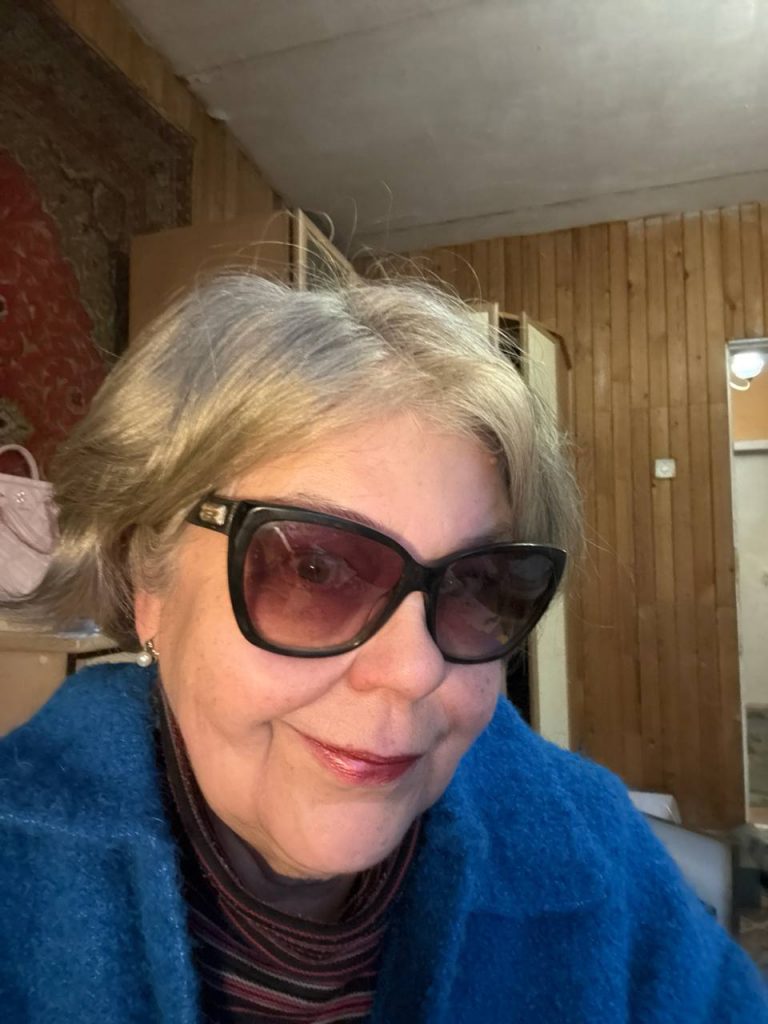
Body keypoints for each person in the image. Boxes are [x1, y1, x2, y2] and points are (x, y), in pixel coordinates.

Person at [0, 274, 765, 1024]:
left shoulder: (597, 854)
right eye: (312, 569)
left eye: (476, 583)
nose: (415, 669)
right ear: (148, 582)